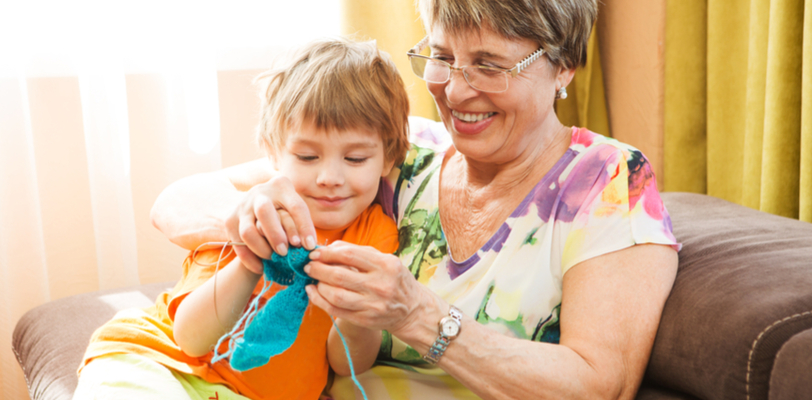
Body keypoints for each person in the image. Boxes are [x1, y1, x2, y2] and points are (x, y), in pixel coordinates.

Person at [151, 0, 682, 398]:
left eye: (490, 65)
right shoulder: (403, 151)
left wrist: (420, 316)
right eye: (442, 56)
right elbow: (176, 202)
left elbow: (598, 385)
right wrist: (253, 220)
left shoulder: (608, 182)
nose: (454, 89)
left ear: (563, 66)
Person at [73, 37, 410, 400]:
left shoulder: (375, 233)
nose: (330, 177)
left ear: (388, 158)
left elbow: (345, 364)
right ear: (274, 155)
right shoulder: (252, 212)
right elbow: (189, 338)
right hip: (159, 363)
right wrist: (249, 261)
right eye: (308, 157)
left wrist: (359, 311)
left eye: (356, 159)